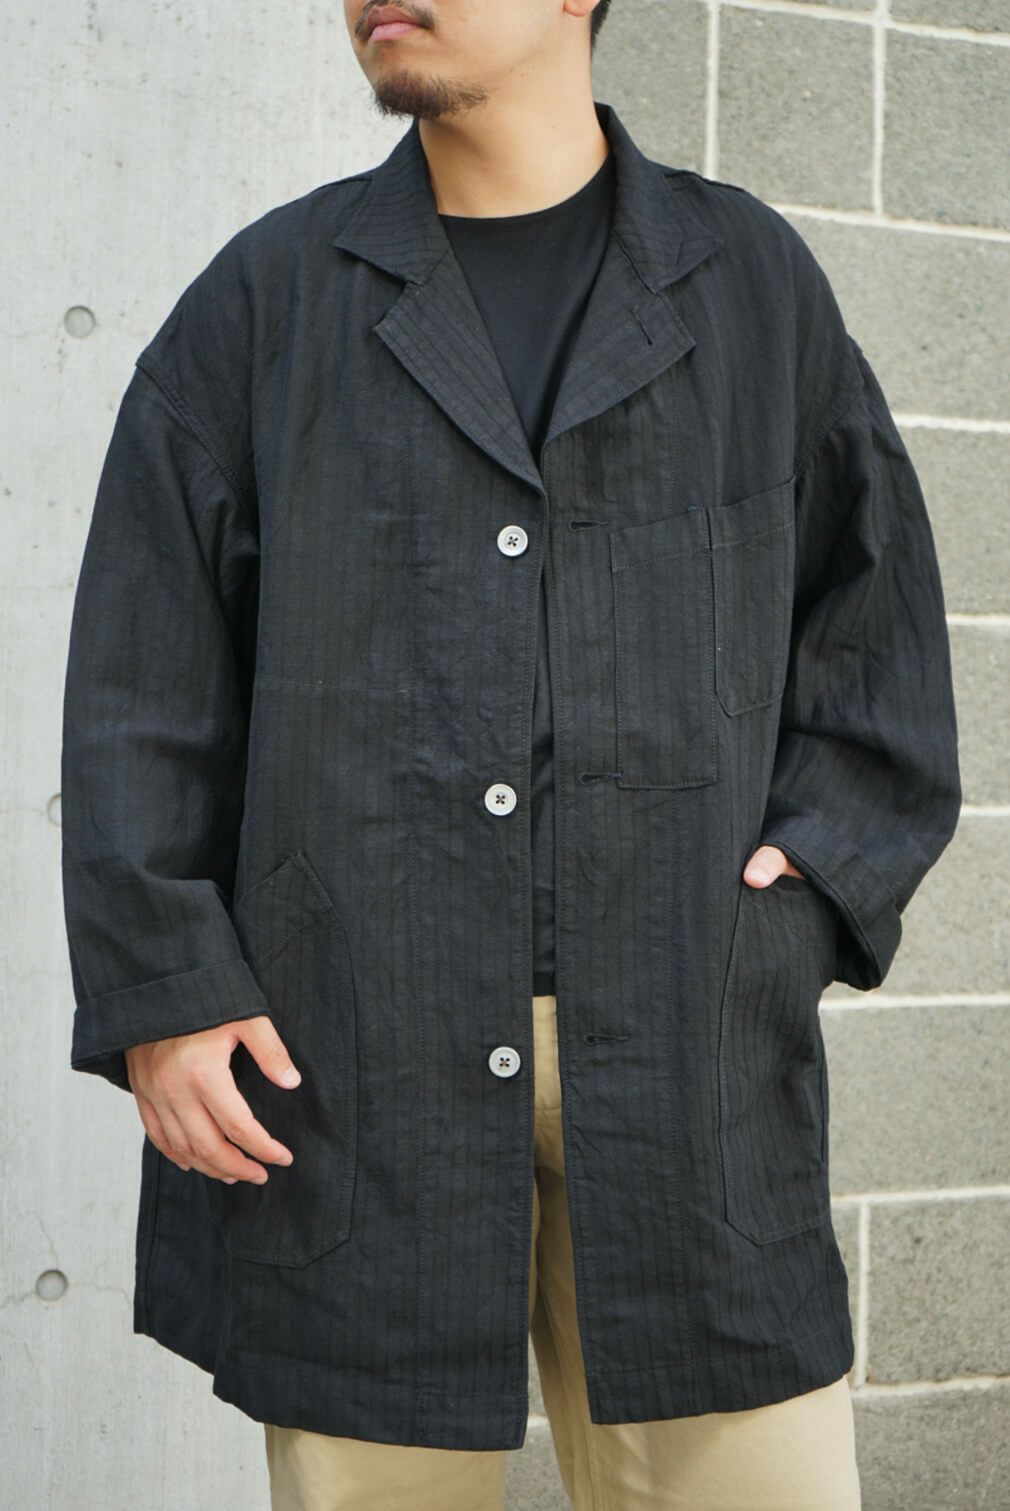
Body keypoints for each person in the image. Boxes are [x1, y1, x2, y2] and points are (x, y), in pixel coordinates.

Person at [60, 1, 961, 1507]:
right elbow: (143, 676)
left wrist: (810, 878)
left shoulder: (748, 285)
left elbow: (877, 630)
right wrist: (169, 991)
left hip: (683, 1056)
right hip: (353, 1064)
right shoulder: (271, 300)